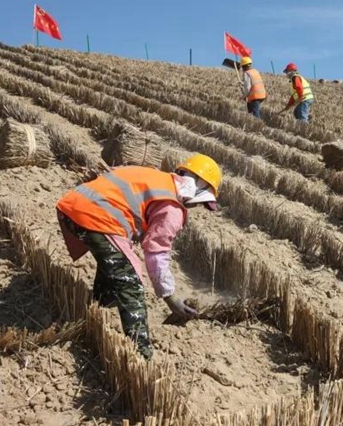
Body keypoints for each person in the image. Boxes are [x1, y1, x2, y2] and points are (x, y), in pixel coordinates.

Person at [56, 154, 222, 359]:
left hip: (74, 208)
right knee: (131, 284)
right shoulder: (172, 207)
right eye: (201, 202)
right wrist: (170, 298)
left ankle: (100, 304)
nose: (196, 206)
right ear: (197, 186)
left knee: (116, 261)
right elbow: (156, 253)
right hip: (96, 219)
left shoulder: (157, 179)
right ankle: (141, 353)